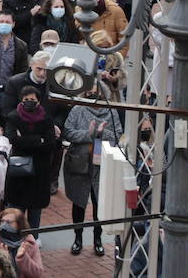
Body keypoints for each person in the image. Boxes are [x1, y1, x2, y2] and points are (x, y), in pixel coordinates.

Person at [62, 80, 121, 256]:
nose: (93, 94)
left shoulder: (111, 111)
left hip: (100, 165)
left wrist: (102, 134)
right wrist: (88, 134)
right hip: (79, 164)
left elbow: (117, 135)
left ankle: (98, 239)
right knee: (78, 204)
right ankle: (77, 239)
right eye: (90, 91)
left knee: (99, 205)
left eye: (97, 91)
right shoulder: (78, 109)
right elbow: (68, 132)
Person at [2, 84, 56, 230]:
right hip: (19, 170)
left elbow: (50, 143)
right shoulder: (13, 117)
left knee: (35, 209)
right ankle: (14, 235)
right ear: (21, 100)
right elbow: (11, 137)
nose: (29, 102)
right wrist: (38, 140)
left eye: (32, 99)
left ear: (38, 101)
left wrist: (24, 139)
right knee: (16, 209)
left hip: (39, 171)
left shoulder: (46, 119)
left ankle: (33, 237)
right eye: (26, 99)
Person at [0, 209, 42, 278]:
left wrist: (23, 258)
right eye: (2, 221)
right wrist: (3, 260)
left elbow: (37, 274)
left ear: (19, 224)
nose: (4, 225)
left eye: (9, 222)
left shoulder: (30, 244)